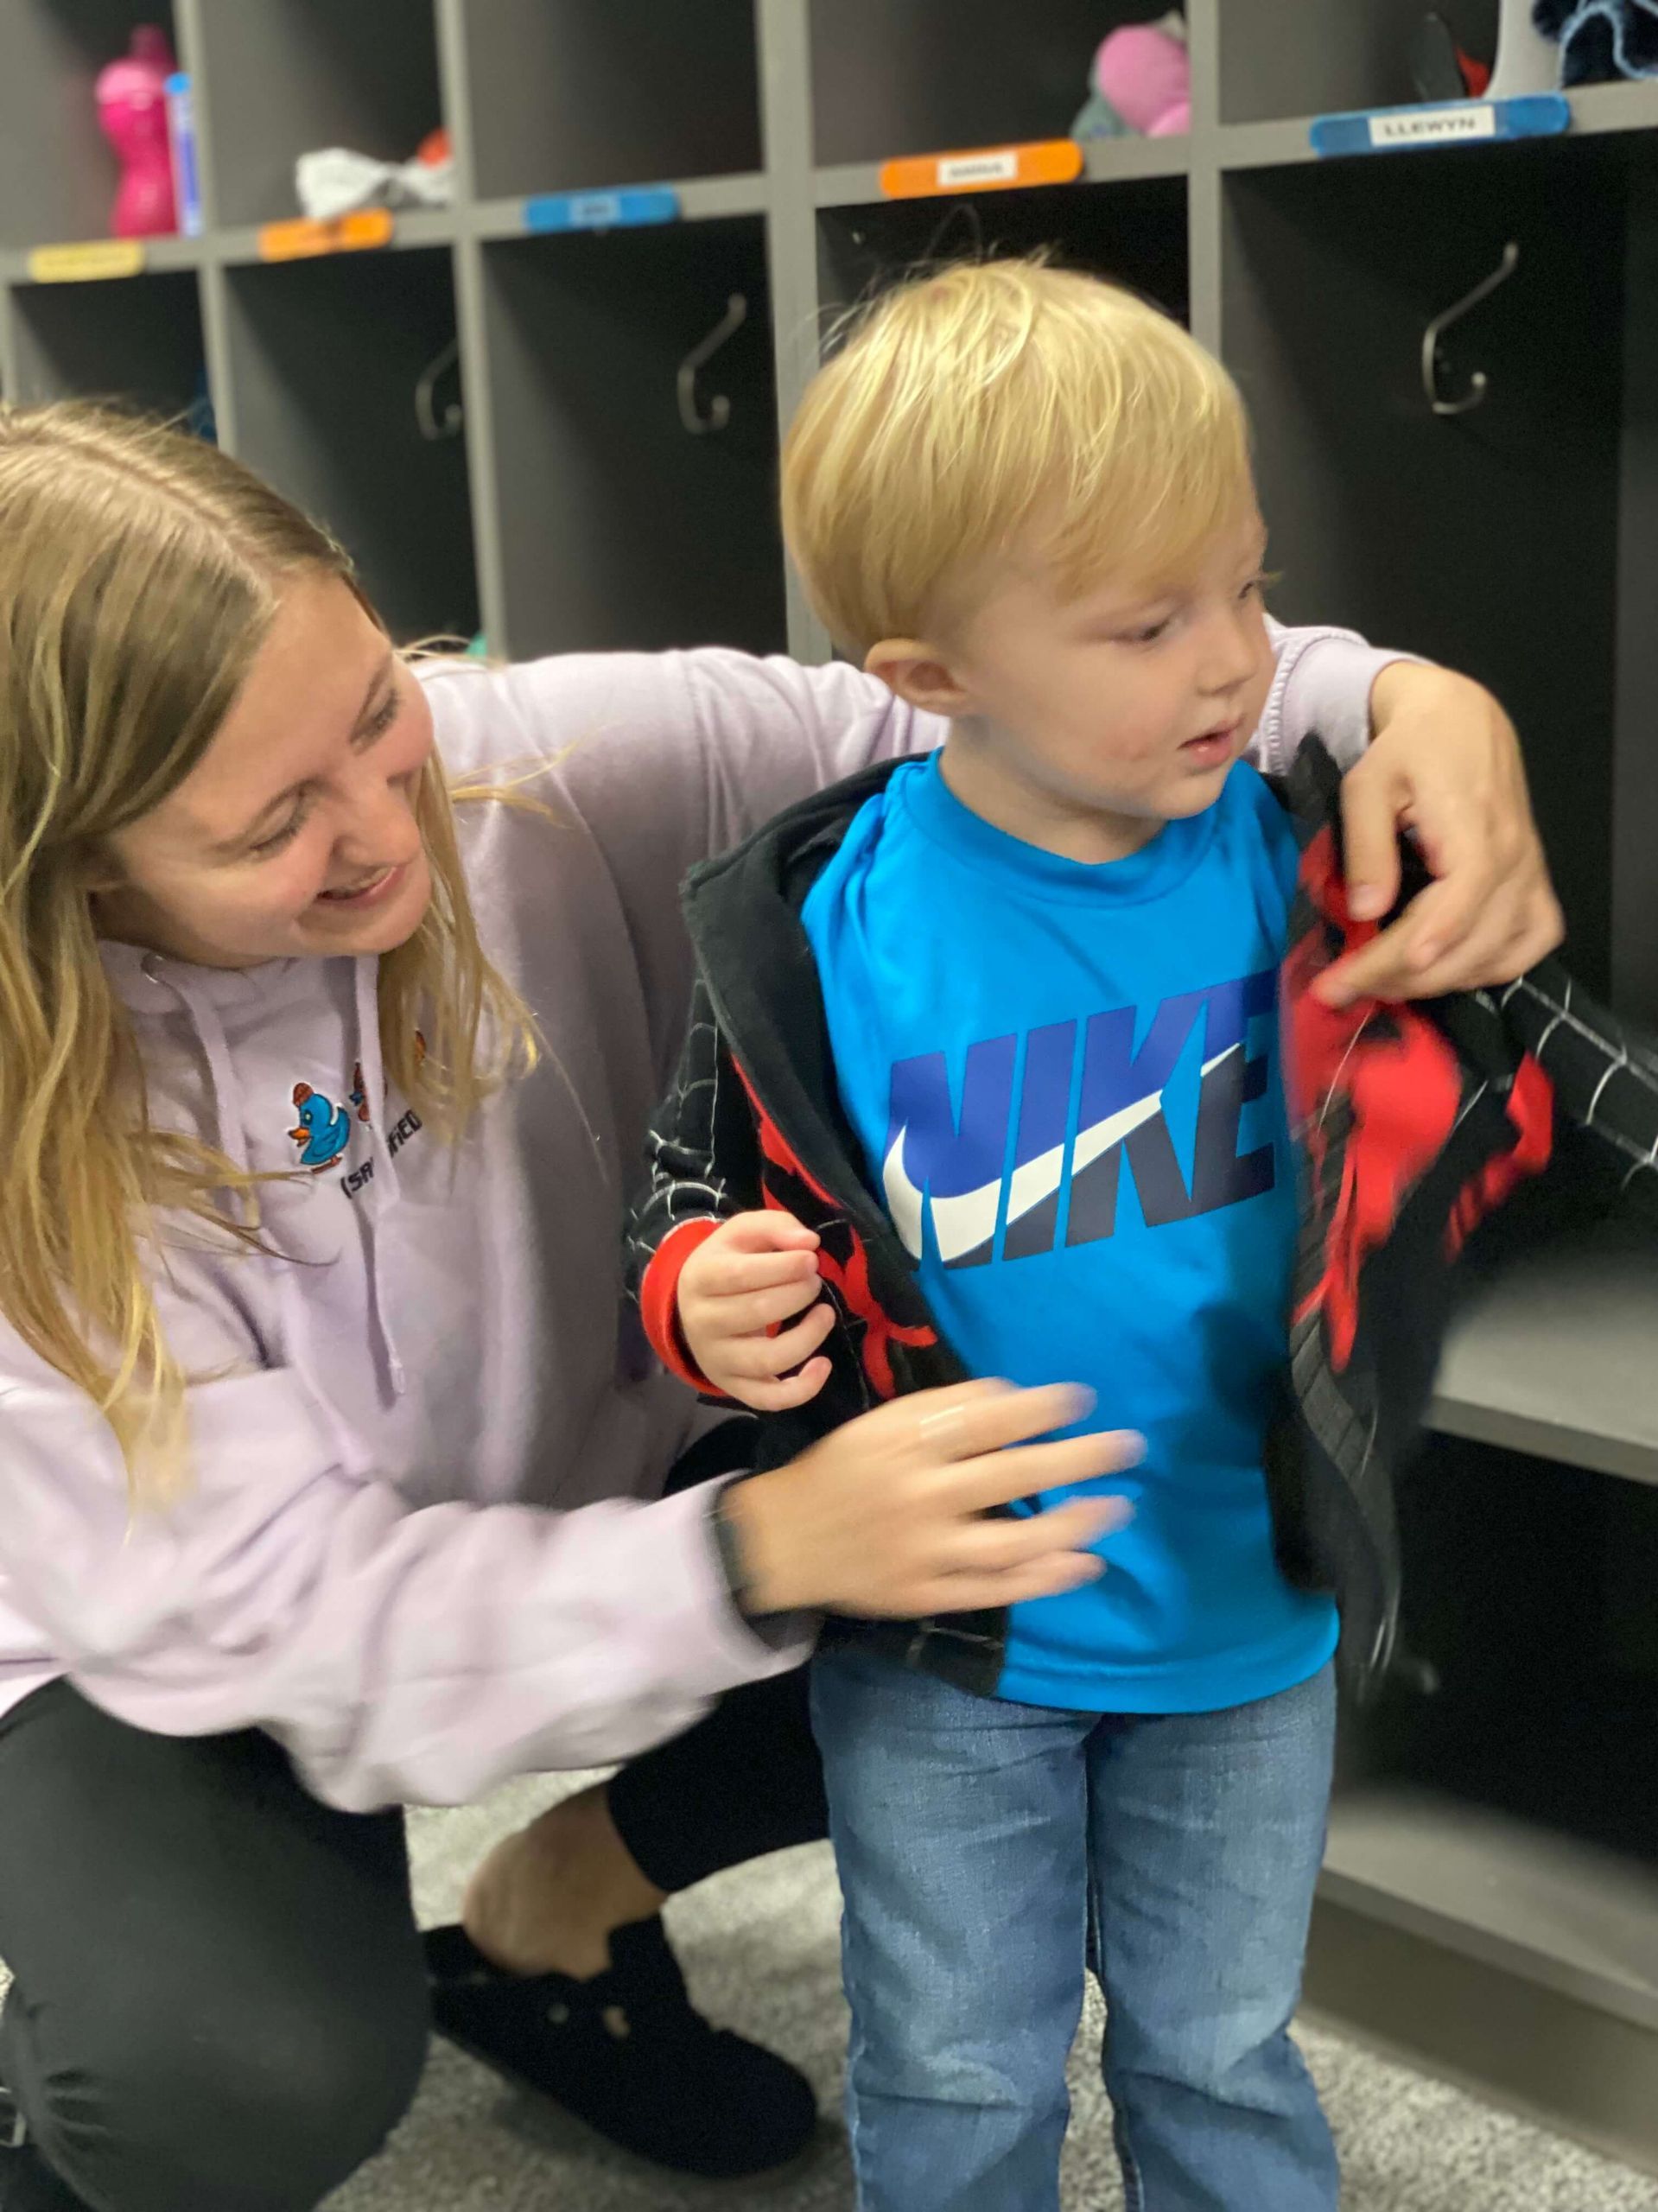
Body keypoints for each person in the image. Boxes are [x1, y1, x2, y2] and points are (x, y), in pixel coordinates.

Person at [0, 398, 1558, 2212]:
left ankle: (561, 1912)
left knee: (1035, 1537)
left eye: (372, 710)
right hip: (163, 1636)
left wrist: (1401, 704)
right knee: (233, 2064)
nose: (384, 821)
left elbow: (993, 692)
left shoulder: (540, 764)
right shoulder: (42, 1140)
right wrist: (764, 1550)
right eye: (275, 820)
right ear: (75, 860)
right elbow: (300, 1624)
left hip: (600, 1487)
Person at [623, 259, 1575, 2212]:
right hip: (950, 1650)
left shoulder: (1305, 845)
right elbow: (690, 1180)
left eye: (1248, 584)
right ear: (931, 671)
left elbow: (1536, 1040)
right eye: (1149, 622)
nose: (1234, 657)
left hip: (1245, 1617)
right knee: (956, 2071)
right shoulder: (817, 923)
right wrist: (701, 1295)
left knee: (1218, 2051)